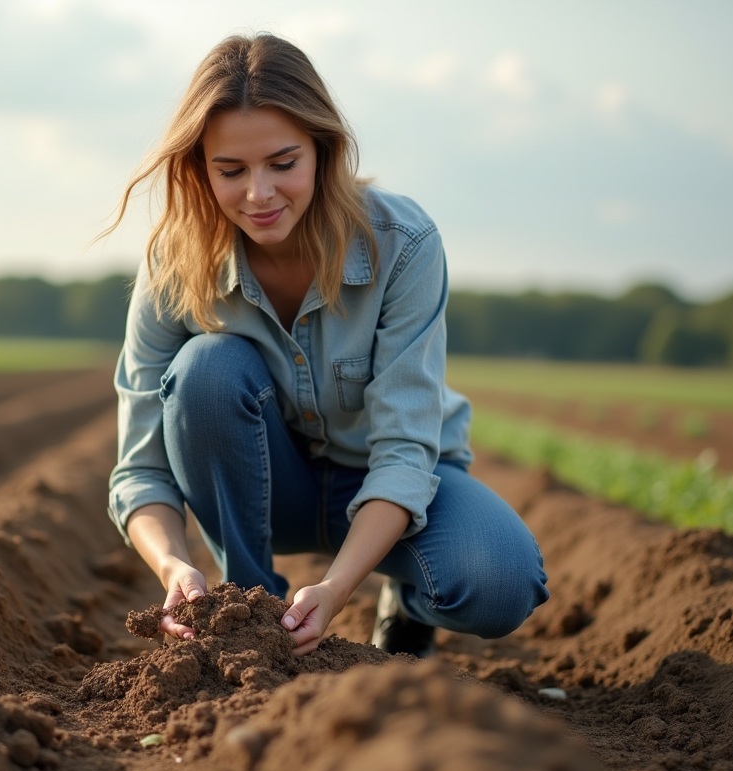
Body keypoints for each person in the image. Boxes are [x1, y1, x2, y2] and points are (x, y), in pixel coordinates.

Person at [102, 33, 548, 658]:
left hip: (389, 485)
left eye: (283, 163)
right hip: (270, 490)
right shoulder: (174, 262)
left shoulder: (403, 243)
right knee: (205, 368)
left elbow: (403, 451)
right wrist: (174, 565)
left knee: (499, 585)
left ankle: (406, 602)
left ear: (323, 150)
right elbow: (141, 467)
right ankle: (249, 615)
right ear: (201, 168)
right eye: (231, 170)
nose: (259, 193)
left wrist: (339, 588)